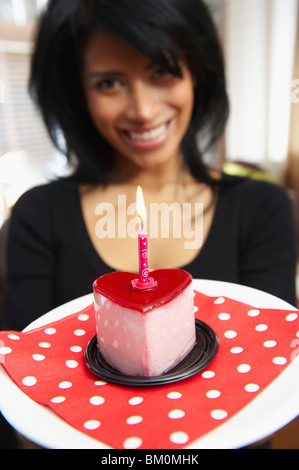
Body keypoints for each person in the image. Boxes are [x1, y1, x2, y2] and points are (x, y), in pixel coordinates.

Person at [2, 0, 297, 332]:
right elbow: (20, 360)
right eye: (109, 83)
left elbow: (275, 355)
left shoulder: (262, 208)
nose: (142, 110)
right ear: (79, 95)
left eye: (162, 72)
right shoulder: (40, 215)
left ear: (196, 73)